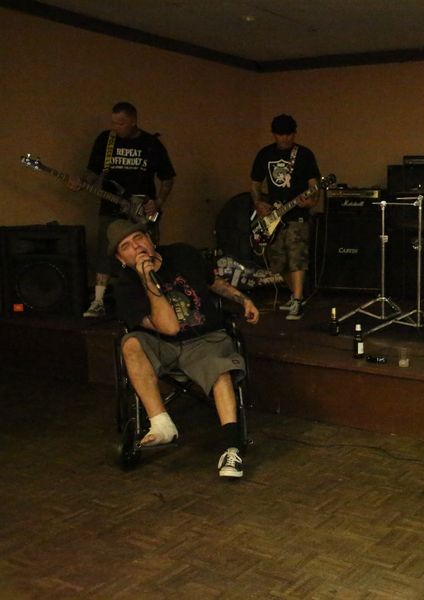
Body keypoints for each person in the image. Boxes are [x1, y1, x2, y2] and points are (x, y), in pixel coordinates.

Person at [109, 219, 260, 478]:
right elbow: (169, 327)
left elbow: (213, 282)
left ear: (150, 239)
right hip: (162, 344)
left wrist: (243, 299)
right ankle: (161, 423)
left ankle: (232, 449)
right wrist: (147, 280)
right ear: (121, 259)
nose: (136, 247)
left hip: (204, 339)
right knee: (131, 343)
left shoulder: (182, 254)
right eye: (126, 246)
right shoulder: (125, 287)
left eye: (139, 238)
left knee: (218, 366)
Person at [69, 102, 176, 318]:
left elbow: (167, 177)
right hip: (111, 206)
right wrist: (82, 182)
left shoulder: (151, 144)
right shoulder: (106, 140)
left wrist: (158, 202)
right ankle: (98, 301)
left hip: (140, 209)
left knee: (145, 250)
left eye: (121, 123)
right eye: (114, 123)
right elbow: (93, 172)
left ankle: (153, 297)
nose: (116, 127)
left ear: (134, 121)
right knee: (105, 250)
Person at [250, 114, 322, 320]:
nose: (285, 138)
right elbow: (255, 183)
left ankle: (298, 300)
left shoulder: (304, 154)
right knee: (278, 261)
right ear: (274, 134)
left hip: (297, 214)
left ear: (294, 133)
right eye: (281, 134)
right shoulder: (265, 154)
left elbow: (314, 186)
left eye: (289, 134)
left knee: (297, 256)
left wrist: (311, 201)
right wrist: (258, 203)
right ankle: (296, 295)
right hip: (274, 215)